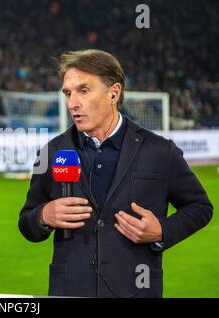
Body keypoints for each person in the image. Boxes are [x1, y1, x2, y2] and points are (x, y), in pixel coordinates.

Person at [18, 49, 213, 298]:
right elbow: (26, 222)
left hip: (136, 290)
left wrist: (163, 230)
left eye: (84, 91)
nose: (72, 103)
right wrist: (43, 216)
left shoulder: (159, 151)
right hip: (70, 290)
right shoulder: (53, 151)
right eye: (68, 93)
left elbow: (200, 207)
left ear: (114, 92)